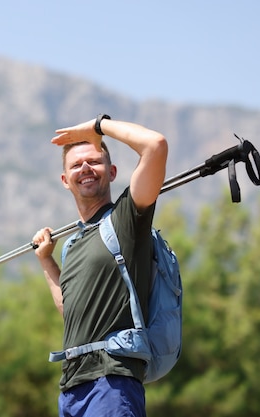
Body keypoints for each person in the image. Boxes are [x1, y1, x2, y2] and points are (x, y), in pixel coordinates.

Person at [32, 114, 168, 417]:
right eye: (76, 165)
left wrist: (97, 126)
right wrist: (46, 260)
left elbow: (155, 145)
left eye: (94, 161)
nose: (85, 169)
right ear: (65, 181)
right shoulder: (73, 245)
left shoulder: (126, 220)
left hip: (112, 382)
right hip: (72, 387)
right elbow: (72, 313)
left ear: (112, 171)